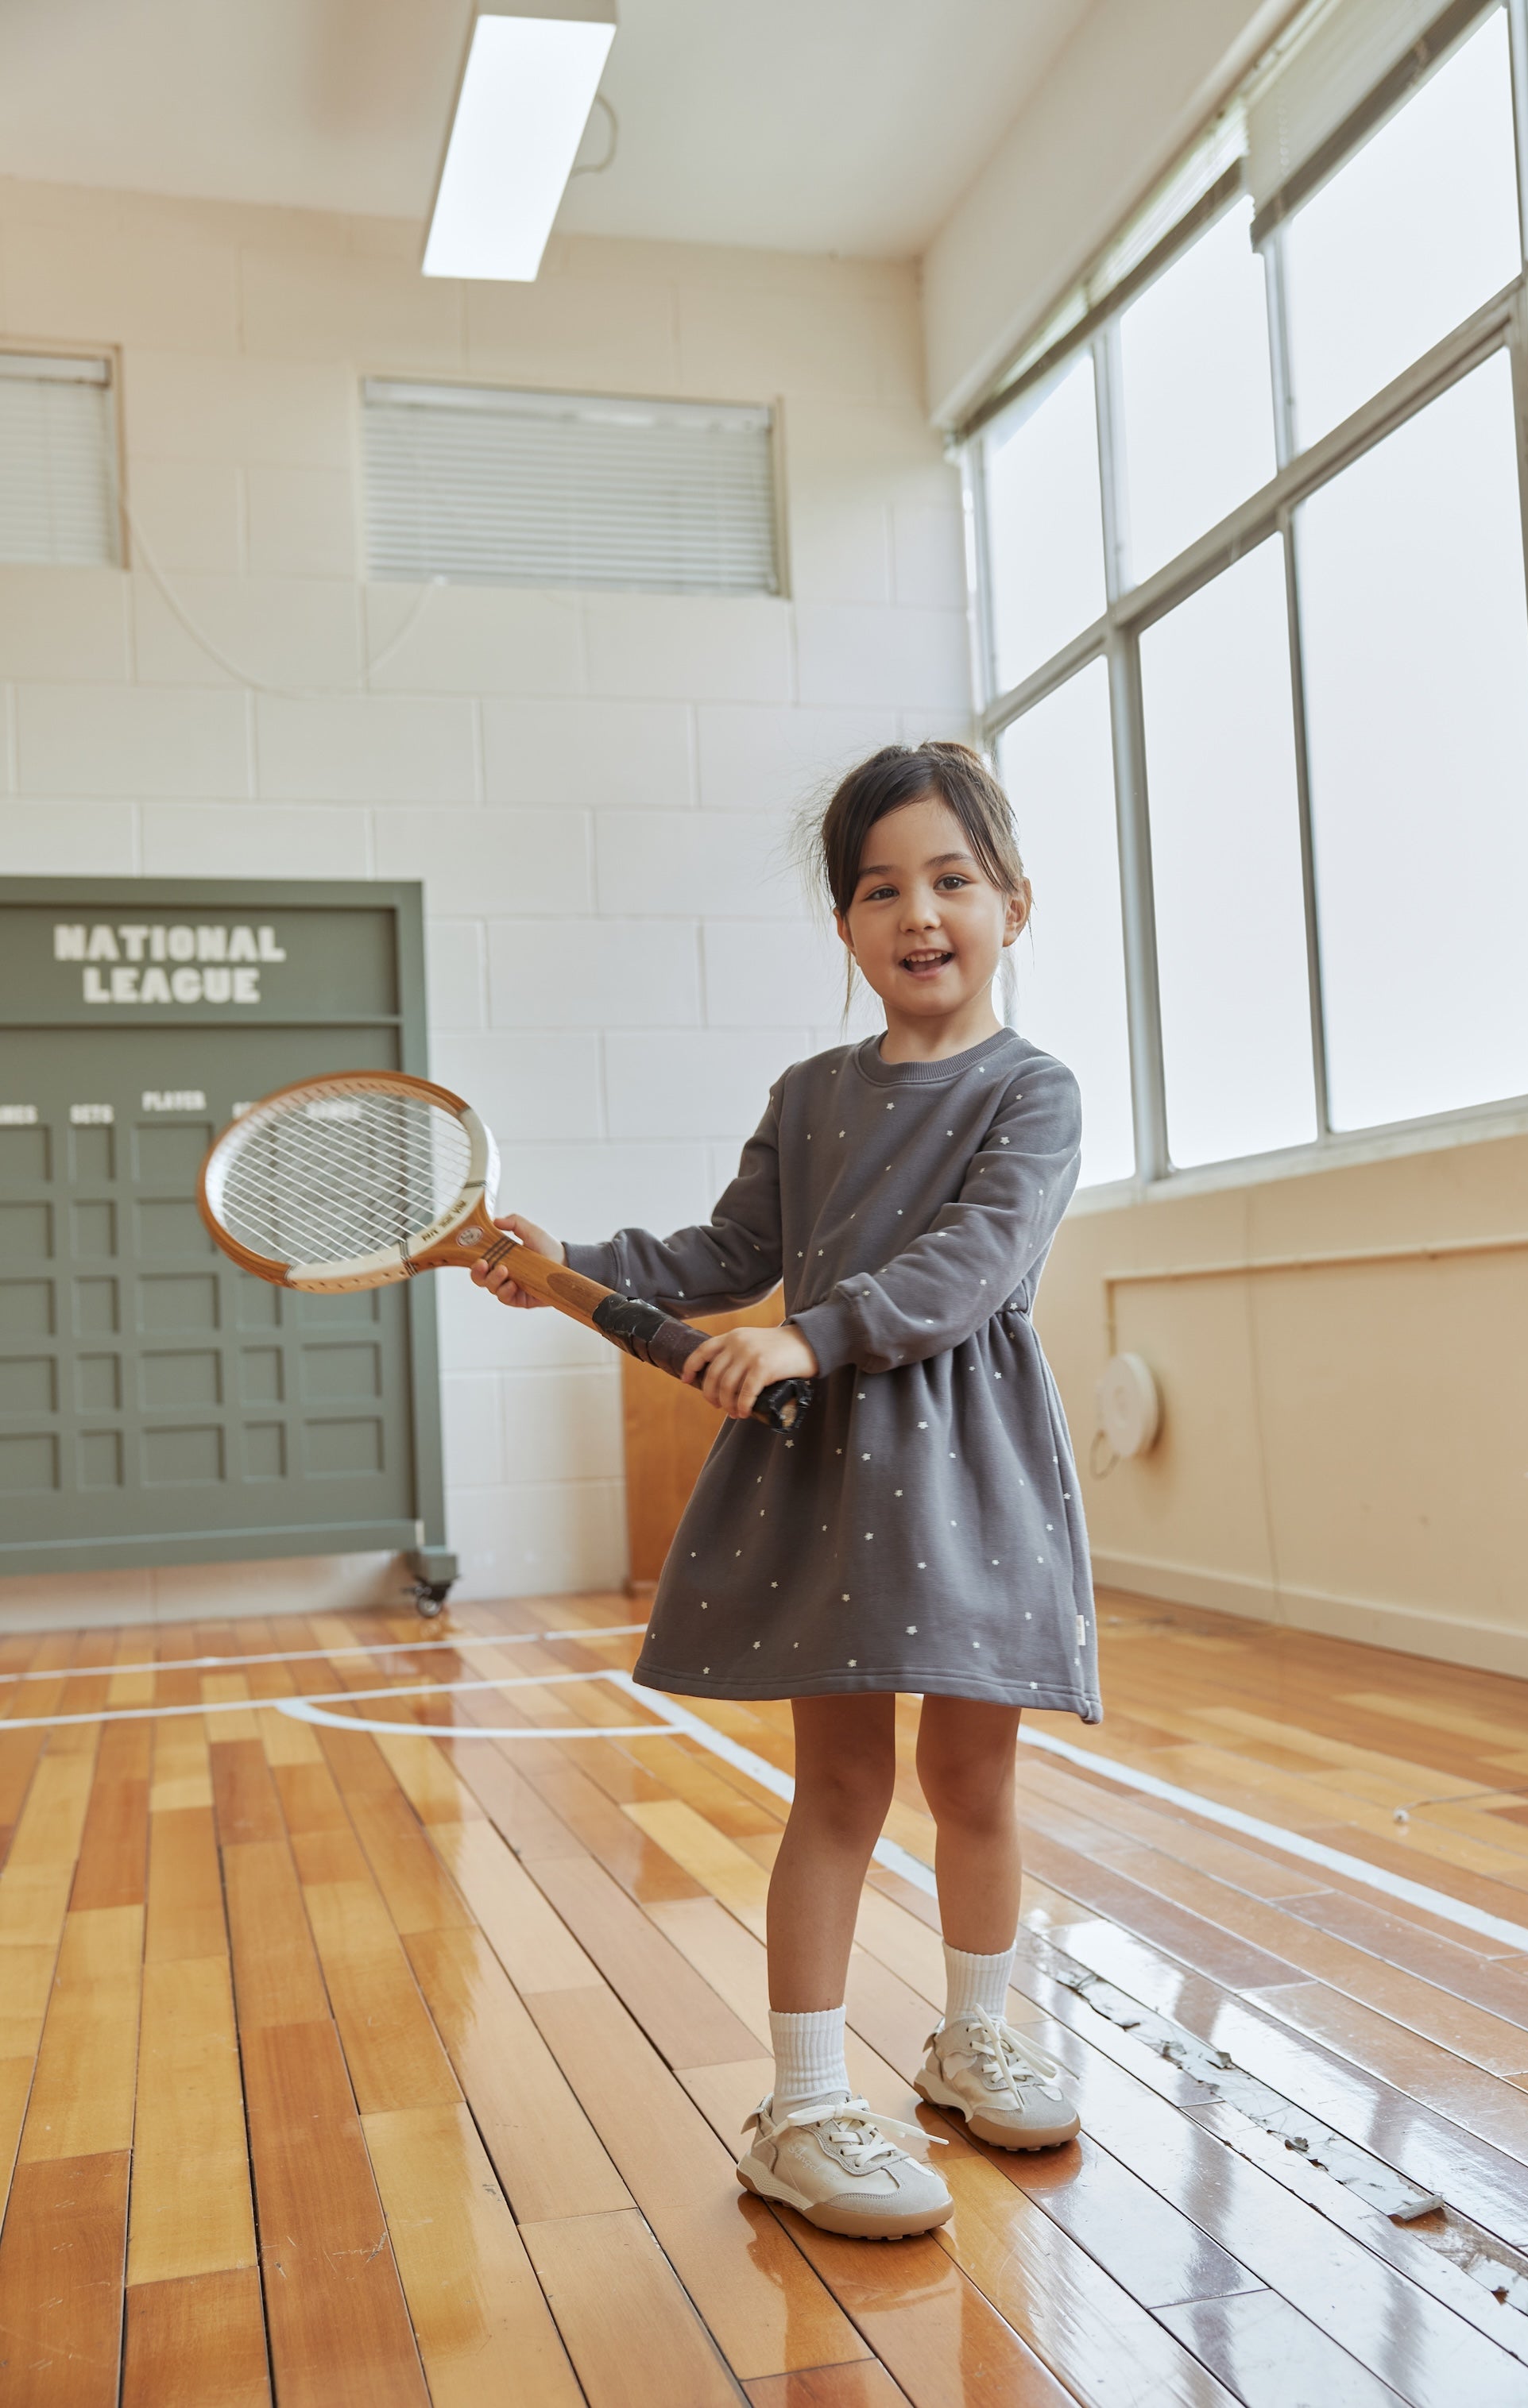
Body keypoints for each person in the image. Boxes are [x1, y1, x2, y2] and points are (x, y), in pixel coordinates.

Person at [474, 740, 1098, 2238]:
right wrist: (571, 1269)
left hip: (975, 1472)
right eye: (880, 889)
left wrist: (810, 1336)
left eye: (952, 879)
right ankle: (806, 2105)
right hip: (834, 1477)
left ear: (1014, 901)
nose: (918, 912)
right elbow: (716, 1252)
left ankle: (972, 2036)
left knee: (975, 1784)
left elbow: (971, 1268)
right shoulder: (809, 1093)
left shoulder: (1034, 1091)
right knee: (840, 1787)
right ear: (844, 928)